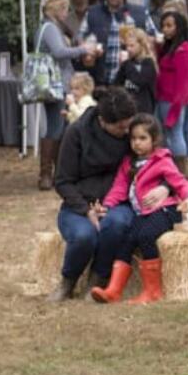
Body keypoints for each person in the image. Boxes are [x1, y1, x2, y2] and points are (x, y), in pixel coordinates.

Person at [90, 114, 188, 304]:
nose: (136, 143)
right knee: (127, 239)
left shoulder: (162, 160)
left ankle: (152, 291)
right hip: (144, 213)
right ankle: (114, 290)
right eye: (133, 138)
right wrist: (106, 206)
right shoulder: (129, 163)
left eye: (142, 138)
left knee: (146, 236)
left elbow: (179, 181)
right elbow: (119, 188)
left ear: (154, 140)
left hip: (166, 211)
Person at [49, 87, 142, 301]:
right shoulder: (76, 132)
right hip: (80, 203)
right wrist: (85, 209)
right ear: (102, 121)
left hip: (119, 202)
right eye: (121, 127)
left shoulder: (135, 131)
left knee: (116, 224)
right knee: (84, 236)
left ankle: (98, 278)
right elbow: (62, 181)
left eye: (129, 124)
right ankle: (68, 282)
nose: (127, 132)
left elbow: (159, 159)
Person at [36, 0, 97, 189]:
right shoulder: (51, 28)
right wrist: (83, 49)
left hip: (53, 82)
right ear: (57, 10)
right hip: (57, 83)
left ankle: (53, 172)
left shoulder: (46, 27)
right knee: (56, 128)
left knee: (58, 126)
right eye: (64, 9)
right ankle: (48, 174)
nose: (66, 13)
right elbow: (59, 53)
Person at [81, 0, 157, 86]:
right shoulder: (92, 12)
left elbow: (152, 37)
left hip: (129, 78)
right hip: (100, 77)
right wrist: (89, 49)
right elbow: (79, 36)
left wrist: (137, 47)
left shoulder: (139, 12)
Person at [154, 10, 188, 173]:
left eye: (169, 26)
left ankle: (180, 170)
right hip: (162, 96)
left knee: (176, 133)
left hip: (173, 99)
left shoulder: (184, 50)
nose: (165, 29)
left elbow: (185, 82)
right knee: (164, 133)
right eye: (163, 26)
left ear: (178, 27)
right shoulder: (168, 47)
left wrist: (176, 106)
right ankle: (167, 167)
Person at [113, 27, 157, 117]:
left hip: (144, 109)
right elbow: (117, 84)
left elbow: (139, 81)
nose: (128, 49)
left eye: (132, 46)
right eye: (126, 46)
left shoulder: (148, 63)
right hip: (128, 107)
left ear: (141, 45)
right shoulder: (127, 64)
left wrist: (128, 64)